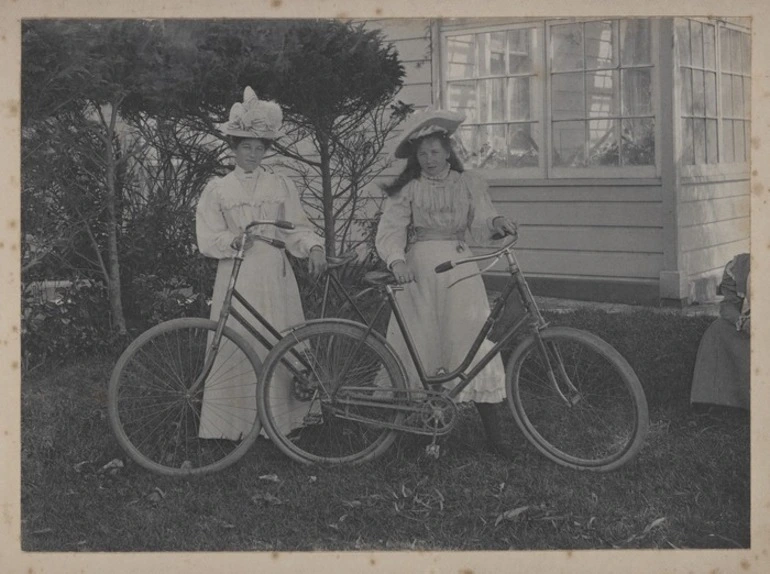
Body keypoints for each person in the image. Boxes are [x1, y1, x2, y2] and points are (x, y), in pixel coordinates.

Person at [375, 109, 519, 457]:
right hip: (420, 269)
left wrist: (497, 221)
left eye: (435, 152)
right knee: (422, 339)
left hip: (459, 267)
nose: (428, 160)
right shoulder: (408, 189)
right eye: (422, 154)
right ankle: (427, 429)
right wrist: (396, 260)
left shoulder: (468, 184)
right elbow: (391, 230)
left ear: (447, 152)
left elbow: (482, 219)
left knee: (470, 337)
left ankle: (496, 437)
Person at [196, 87, 327, 440]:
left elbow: (297, 226)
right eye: (245, 147)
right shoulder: (218, 189)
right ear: (233, 149)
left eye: (258, 148)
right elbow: (207, 237)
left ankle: (282, 422)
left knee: (279, 338)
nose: (252, 154)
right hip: (237, 274)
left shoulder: (279, 184)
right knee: (238, 339)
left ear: (266, 150)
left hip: (274, 272)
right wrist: (233, 241)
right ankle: (234, 426)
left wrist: (313, 246)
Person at [690, 253, 750, 410]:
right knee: (718, 330)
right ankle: (714, 400)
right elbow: (729, 305)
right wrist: (742, 321)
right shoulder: (742, 266)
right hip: (752, 326)